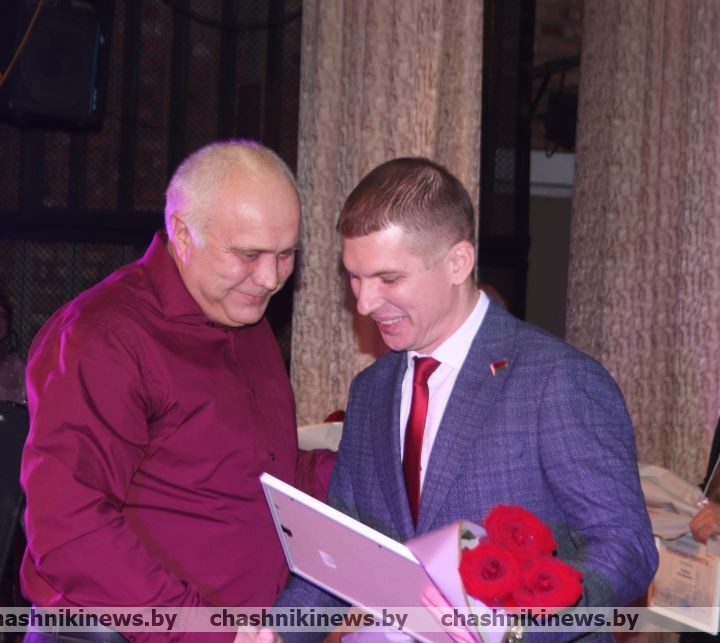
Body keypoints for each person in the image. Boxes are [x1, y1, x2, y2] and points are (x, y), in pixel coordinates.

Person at [274, 157, 658, 641]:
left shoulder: (557, 380)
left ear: (458, 262)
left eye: (388, 279)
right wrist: (278, 633)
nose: (365, 303)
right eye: (354, 276)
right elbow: (345, 551)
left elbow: (626, 547)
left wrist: (509, 631)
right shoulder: (370, 391)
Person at [20, 141, 335, 642]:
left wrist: (383, 471)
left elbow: (258, 473)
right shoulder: (105, 335)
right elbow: (69, 528)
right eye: (249, 254)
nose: (270, 278)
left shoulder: (244, 318)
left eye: (285, 255)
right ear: (184, 234)